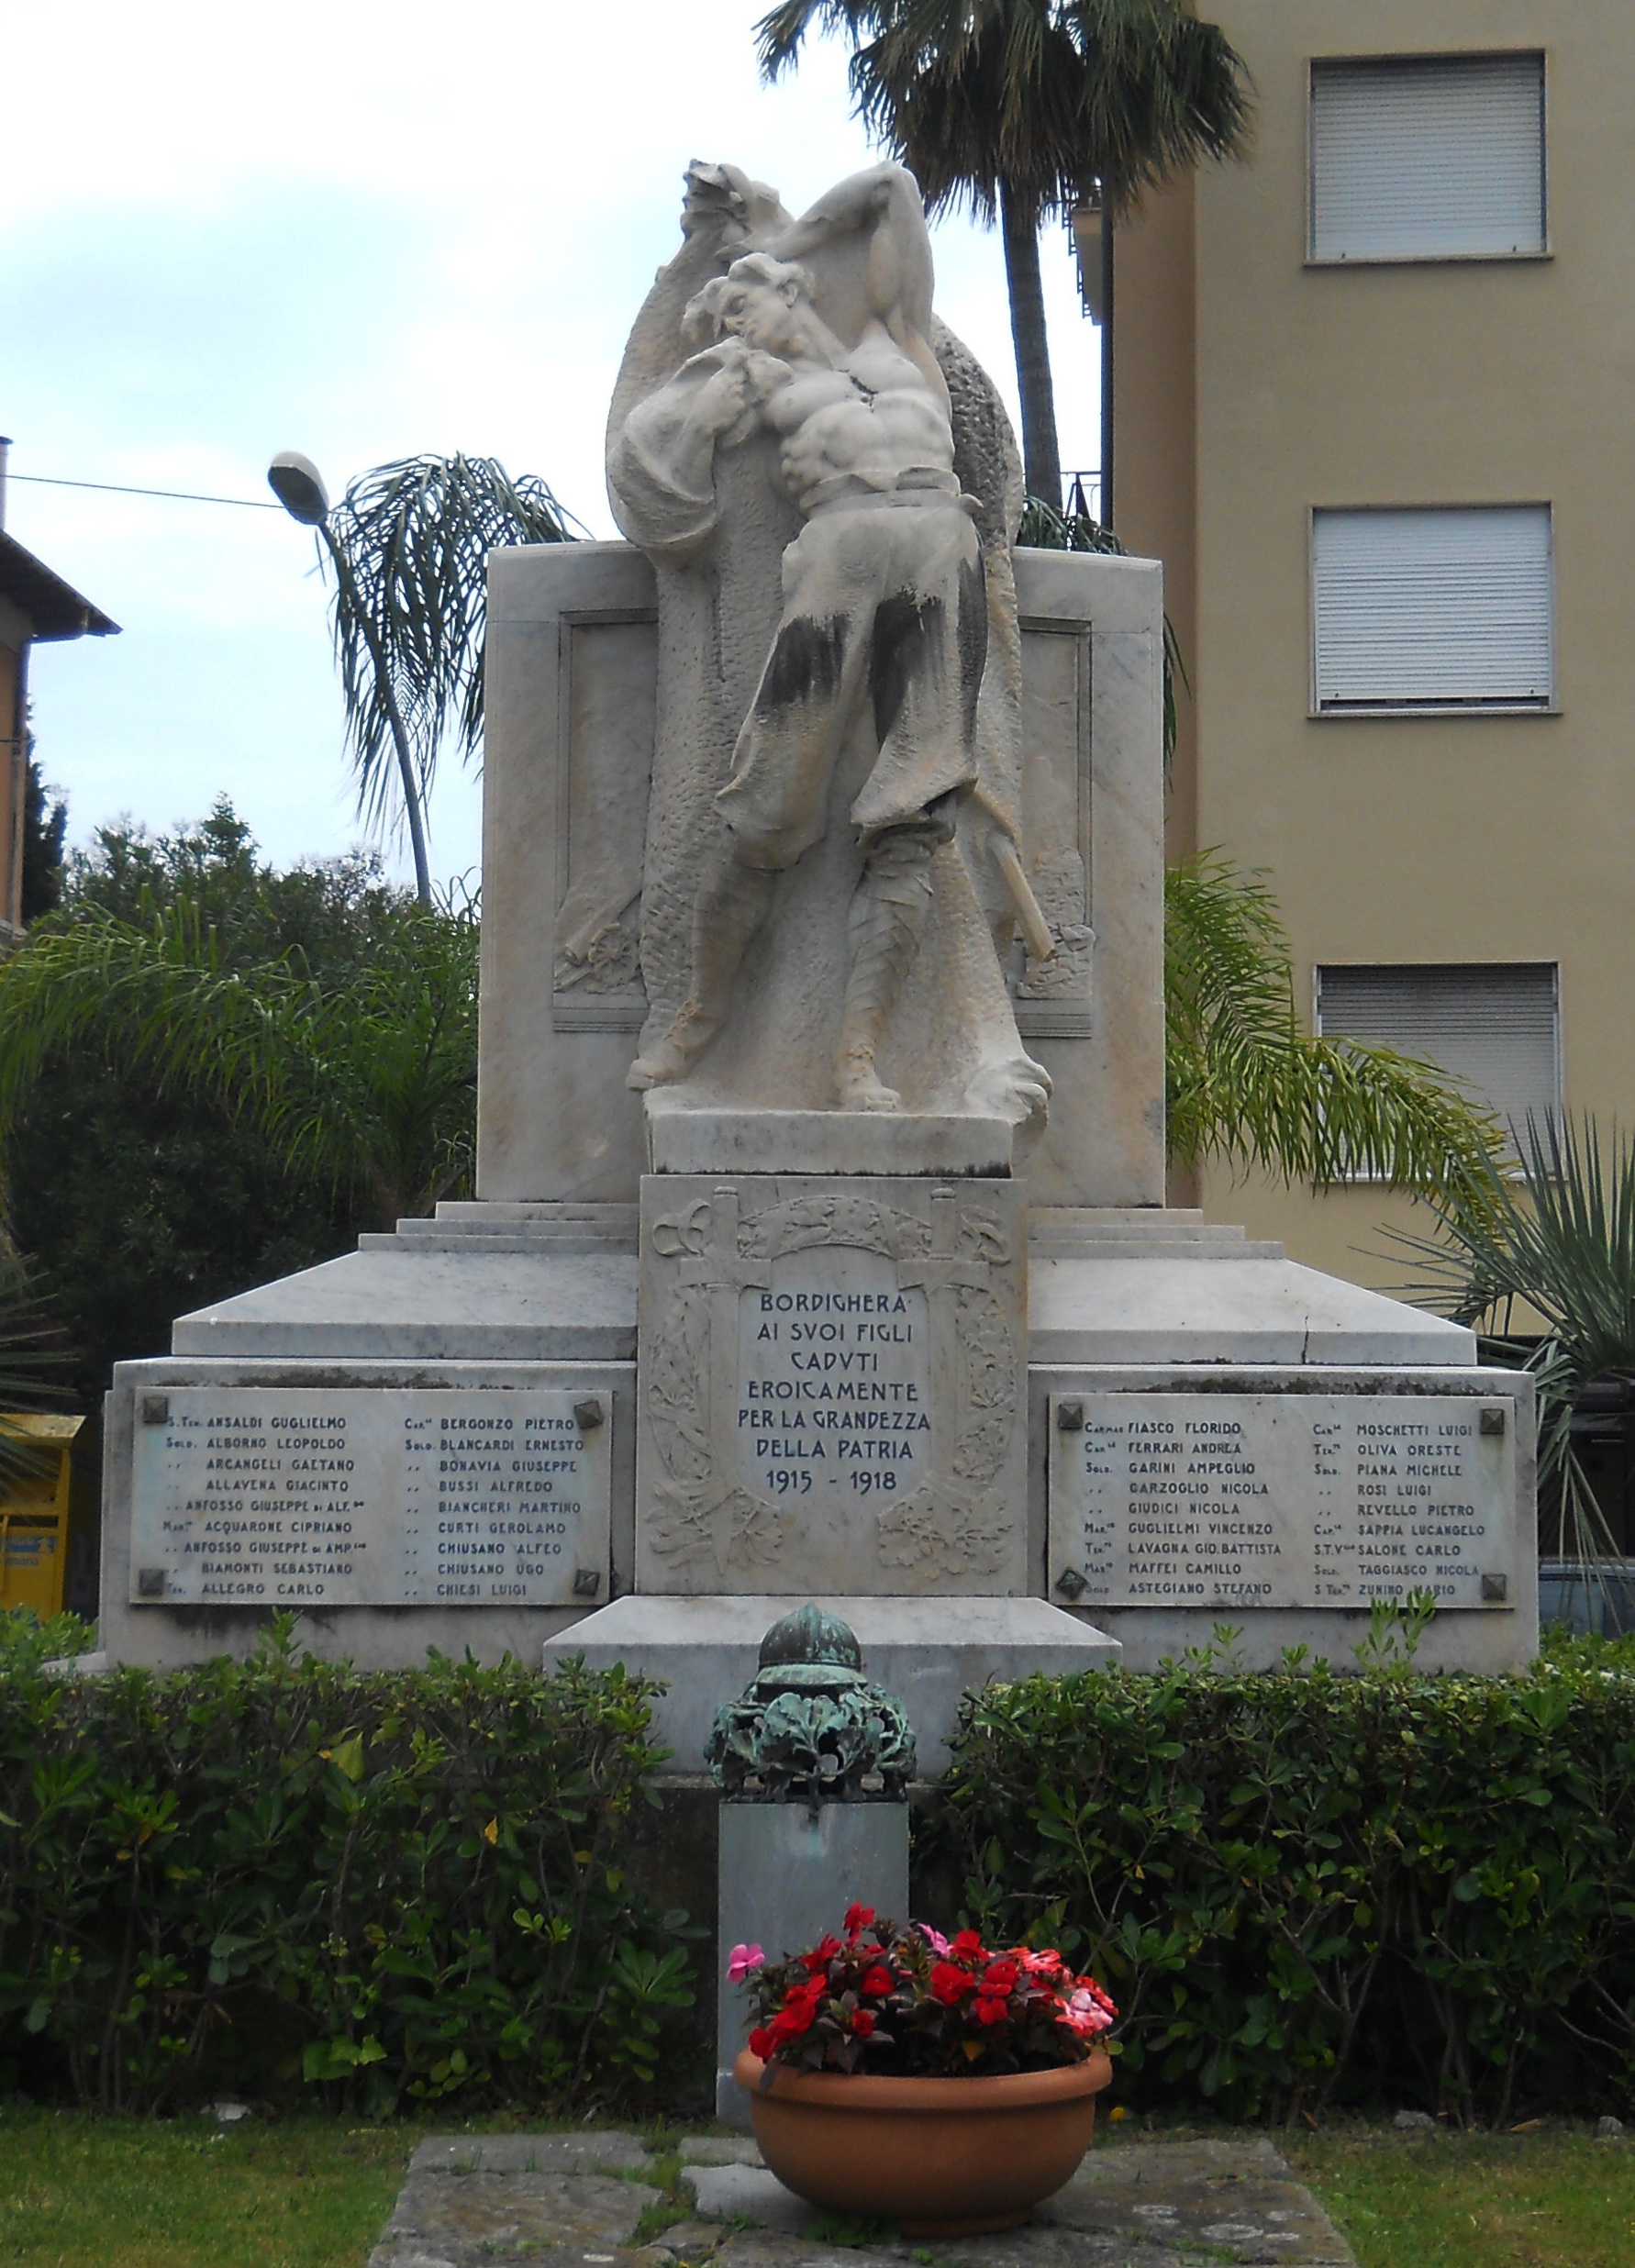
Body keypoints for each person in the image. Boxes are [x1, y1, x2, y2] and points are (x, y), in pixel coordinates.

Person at [613, 166, 1038, 1114]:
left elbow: (891, 187)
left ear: (789, 285)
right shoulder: (752, 383)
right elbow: (648, 468)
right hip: (838, 553)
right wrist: (704, 383)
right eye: (722, 317)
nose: (733, 324)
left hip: (941, 547)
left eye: (742, 303)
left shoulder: (899, 342)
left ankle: (857, 1057)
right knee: (768, 808)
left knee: (912, 823)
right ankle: (698, 1015)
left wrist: (774, 232)